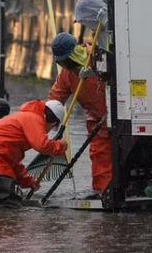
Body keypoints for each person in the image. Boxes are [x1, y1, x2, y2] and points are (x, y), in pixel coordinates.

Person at [0, 100, 68, 207]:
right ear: (53, 122)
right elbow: (43, 145)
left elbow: (13, 161)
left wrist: (27, 181)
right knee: (10, 205)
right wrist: (61, 146)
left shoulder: (23, 118)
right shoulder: (34, 118)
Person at [48, 32, 112, 195]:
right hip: (97, 121)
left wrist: (95, 72)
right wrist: (46, 122)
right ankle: (104, 192)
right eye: (63, 64)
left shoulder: (98, 57)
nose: (69, 67)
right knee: (100, 157)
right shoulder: (67, 76)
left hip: (116, 115)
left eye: (68, 62)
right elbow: (55, 99)